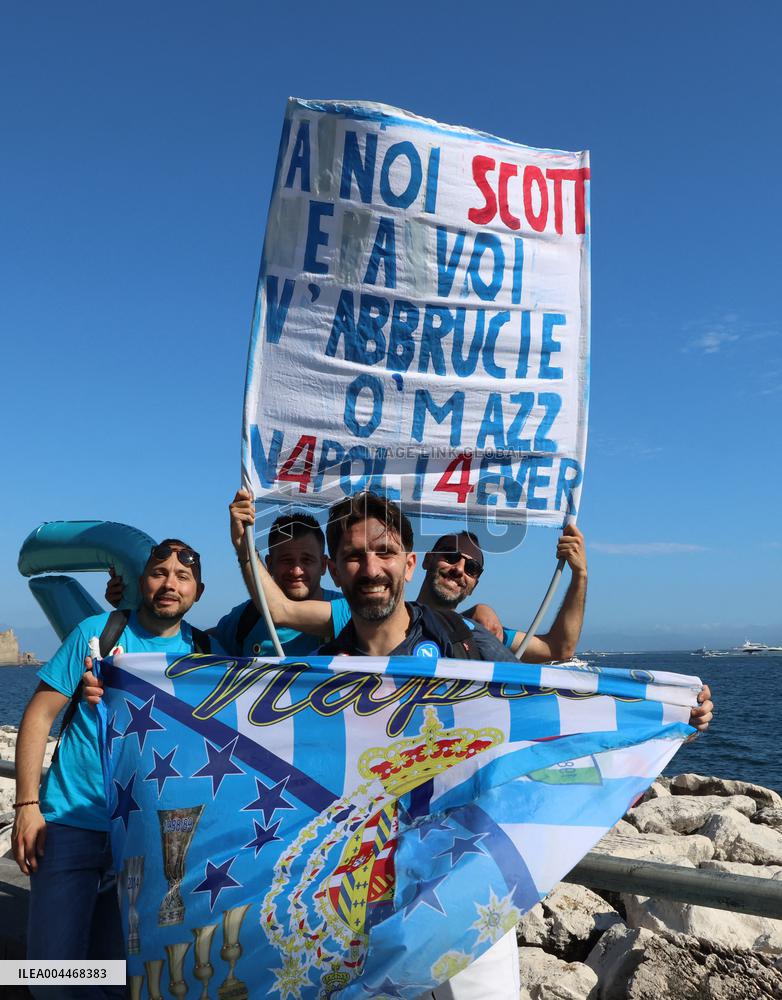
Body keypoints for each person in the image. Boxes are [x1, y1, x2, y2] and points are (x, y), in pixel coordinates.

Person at [12, 540, 220, 995]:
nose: (170, 583)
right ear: (141, 581)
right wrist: (27, 804)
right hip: (71, 823)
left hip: (147, 836)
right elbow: (38, 715)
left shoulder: (208, 652)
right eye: (159, 573)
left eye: (182, 577)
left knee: (117, 975)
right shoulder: (97, 631)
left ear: (198, 591)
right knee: (47, 978)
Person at [415, 526, 587, 661]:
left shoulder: (482, 632)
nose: (459, 569)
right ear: (428, 560)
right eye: (451, 556)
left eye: (471, 568)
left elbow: (559, 648)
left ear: (474, 585)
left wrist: (580, 575)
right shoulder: (393, 618)